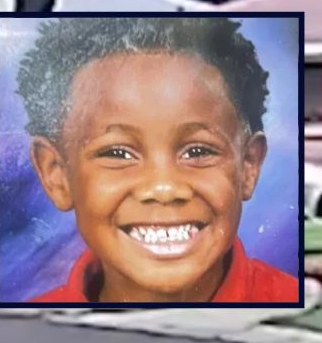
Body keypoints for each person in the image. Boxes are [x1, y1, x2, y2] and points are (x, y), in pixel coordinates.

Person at [17, 17, 297, 303]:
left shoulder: (296, 316)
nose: (164, 189)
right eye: (118, 153)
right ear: (57, 175)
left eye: (198, 151)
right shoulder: (28, 332)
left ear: (248, 165)